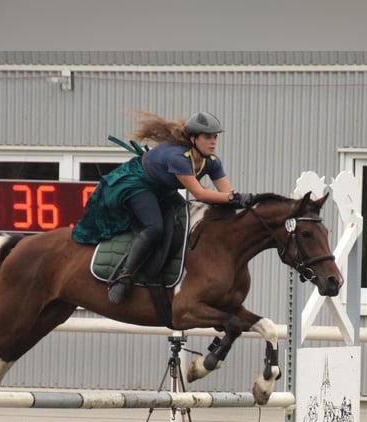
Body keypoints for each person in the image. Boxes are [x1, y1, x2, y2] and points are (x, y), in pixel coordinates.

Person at [72, 111, 253, 304]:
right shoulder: (179, 158)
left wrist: (244, 201)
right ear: (193, 139)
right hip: (136, 183)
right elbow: (200, 194)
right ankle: (123, 278)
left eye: (215, 137)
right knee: (155, 227)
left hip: (161, 189)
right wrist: (234, 197)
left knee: (185, 217)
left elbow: (227, 194)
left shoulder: (212, 162)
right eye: (207, 137)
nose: (213, 142)